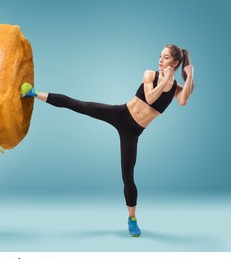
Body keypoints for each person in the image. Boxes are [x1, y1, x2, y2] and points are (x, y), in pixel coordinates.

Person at [21, 44, 194, 237]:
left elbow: (183, 100)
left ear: (176, 62)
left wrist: (190, 73)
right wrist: (165, 80)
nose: (161, 60)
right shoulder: (149, 75)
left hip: (133, 132)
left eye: (166, 58)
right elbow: (151, 98)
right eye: (160, 56)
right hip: (121, 114)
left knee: (128, 176)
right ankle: (34, 94)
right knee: (79, 105)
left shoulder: (176, 89)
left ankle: (132, 219)